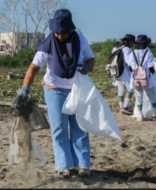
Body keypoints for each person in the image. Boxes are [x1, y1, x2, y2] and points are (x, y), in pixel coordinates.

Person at [15, 9, 95, 177]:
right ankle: (63, 165)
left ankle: (83, 165)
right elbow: (34, 68)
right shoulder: (48, 44)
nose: (59, 36)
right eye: (57, 32)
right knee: (59, 129)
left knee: (79, 127)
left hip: (77, 90)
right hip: (54, 90)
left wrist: (87, 67)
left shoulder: (80, 40)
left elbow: (90, 59)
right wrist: (25, 88)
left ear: (70, 29)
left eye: (63, 32)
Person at [129, 34, 156, 121]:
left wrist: (136, 71)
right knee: (152, 96)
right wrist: (155, 75)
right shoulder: (148, 53)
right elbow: (151, 67)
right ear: (146, 43)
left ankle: (140, 115)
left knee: (139, 97)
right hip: (146, 78)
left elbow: (130, 67)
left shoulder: (133, 53)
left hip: (135, 78)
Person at [114, 34, 135, 115]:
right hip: (124, 74)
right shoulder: (127, 50)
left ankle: (121, 108)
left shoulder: (119, 48)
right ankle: (125, 107)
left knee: (121, 91)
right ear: (129, 42)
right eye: (132, 42)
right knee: (131, 89)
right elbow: (128, 62)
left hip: (117, 74)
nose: (133, 44)